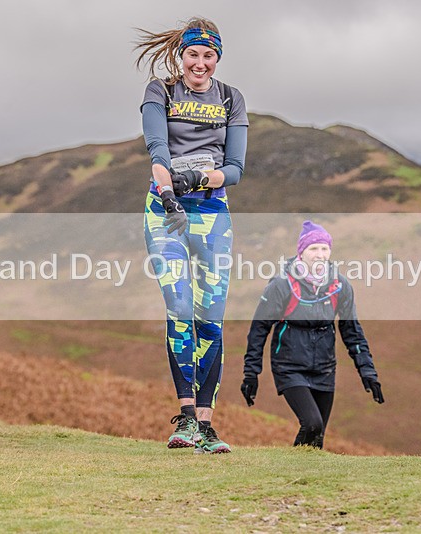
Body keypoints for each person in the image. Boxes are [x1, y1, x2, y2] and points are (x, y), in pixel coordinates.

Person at [135, 17, 248, 453]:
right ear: (181, 56)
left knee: (212, 318)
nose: (200, 63)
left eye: (208, 55)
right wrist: (167, 193)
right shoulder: (160, 92)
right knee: (180, 305)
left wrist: (201, 179)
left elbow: (235, 169)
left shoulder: (231, 99)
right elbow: (157, 148)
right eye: (193, 54)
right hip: (165, 210)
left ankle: (206, 422)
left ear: (217, 57)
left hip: (212, 212)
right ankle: (184, 419)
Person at [241, 221, 384, 449]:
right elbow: (259, 329)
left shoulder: (340, 286)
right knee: (312, 424)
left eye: (324, 248)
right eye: (313, 249)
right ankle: (292, 469)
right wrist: (251, 373)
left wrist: (368, 372)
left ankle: (303, 481)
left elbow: (352, 332)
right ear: (301, 252)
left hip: (324, 368)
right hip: (289, 367)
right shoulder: (281, 285)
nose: (320, 254)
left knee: (317, 438)